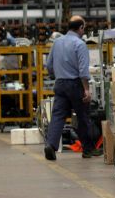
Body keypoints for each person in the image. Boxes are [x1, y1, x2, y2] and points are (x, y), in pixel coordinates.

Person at [43, 16, 101, 161]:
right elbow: (83, 71)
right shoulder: (80, 44)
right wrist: (86, 89)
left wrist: (57, 75)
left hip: (60, 83)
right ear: (81, 28)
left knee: (58, 116)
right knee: (82, 116)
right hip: (75, 84)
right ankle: (88, 150)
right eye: (84, 28)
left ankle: (51, 145)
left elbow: (49, 66)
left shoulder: (57, 42)